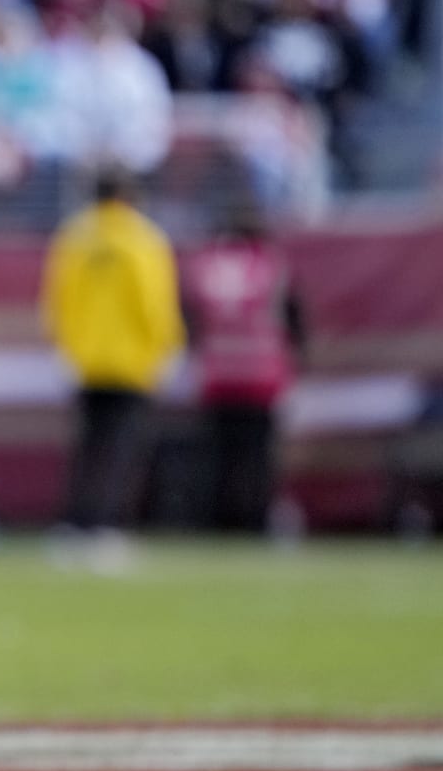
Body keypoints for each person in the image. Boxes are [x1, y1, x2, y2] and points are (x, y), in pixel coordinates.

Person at [41, 167, 185, 551]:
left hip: (85, 359)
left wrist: (64, 347)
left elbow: (59, 300)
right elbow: (153, 302)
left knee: (87, 447)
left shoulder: (74, 238)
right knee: (120, 450)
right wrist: (166, 347)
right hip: (131, 360)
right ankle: (105, 525)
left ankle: (75, 523)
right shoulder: (143, 239)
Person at [183, 199, 305, 532]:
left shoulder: (205, 263)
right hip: (262, 375)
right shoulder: (272, 264)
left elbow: (189, 319)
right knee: (258, 457)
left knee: (217, 455)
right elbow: (294, 323)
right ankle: (254, 519)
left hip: (217, 374)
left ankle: (217, 520)